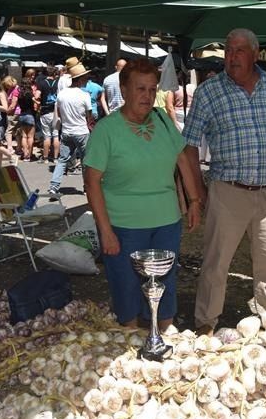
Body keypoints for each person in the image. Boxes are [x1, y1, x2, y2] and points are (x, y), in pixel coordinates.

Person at [183, 28, 266, 335]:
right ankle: (206, 323)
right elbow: (188, 145)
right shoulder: (209, 92)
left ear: (255, 53)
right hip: (228, 191)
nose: (232, 57)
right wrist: (197, 191)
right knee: (216, 264)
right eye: (228, 51)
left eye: (239, 51)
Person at [84, 58, 201, 330]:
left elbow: (183, 159)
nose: (147, 96)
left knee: (165, 284)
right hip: (124, 227)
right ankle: (132, 344)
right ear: (124, 90)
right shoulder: (106, 130)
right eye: (140, 89)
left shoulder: (162, 119)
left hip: (166, 223)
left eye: (152, 89)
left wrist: (194, 201)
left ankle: (160, 337)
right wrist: (106, 231)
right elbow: (92, 184)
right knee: (126, 287)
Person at [47, 61, 92, 198]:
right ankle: (87, 187)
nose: (87, 80)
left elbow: (59, 114)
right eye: (85, 78)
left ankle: (54, 187)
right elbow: (89, 117)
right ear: (80, 79)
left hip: (67, 131)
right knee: (86, 161)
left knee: (62, 160)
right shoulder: (85, 95)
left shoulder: (62, 94)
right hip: (81, 132)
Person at [35, 66, 60, 163]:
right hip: (56, 112)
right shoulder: (57, 83)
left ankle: (45, 158)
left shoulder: (41, 83)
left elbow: (37, 96)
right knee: (56, 135)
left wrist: (37, 101)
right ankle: (55, 158)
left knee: (47, 136)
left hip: (45, 111)